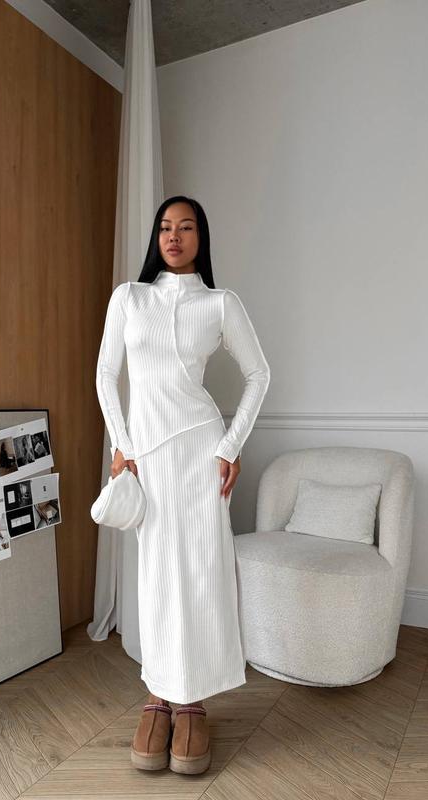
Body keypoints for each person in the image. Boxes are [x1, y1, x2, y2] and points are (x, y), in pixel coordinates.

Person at [95, 195, 270, 775]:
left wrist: (230, 445)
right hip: (147, 458)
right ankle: (158, 694)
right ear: (156, 237)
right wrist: (121, 445)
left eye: (186, 227)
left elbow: (259, 373)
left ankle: (192, 701)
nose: (174, 236)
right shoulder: (129, 297)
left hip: (200, 453)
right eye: (165, 227)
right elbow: (106, 374)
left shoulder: (220, 303)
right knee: (156, 572)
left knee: (199, 570)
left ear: (201, 237)